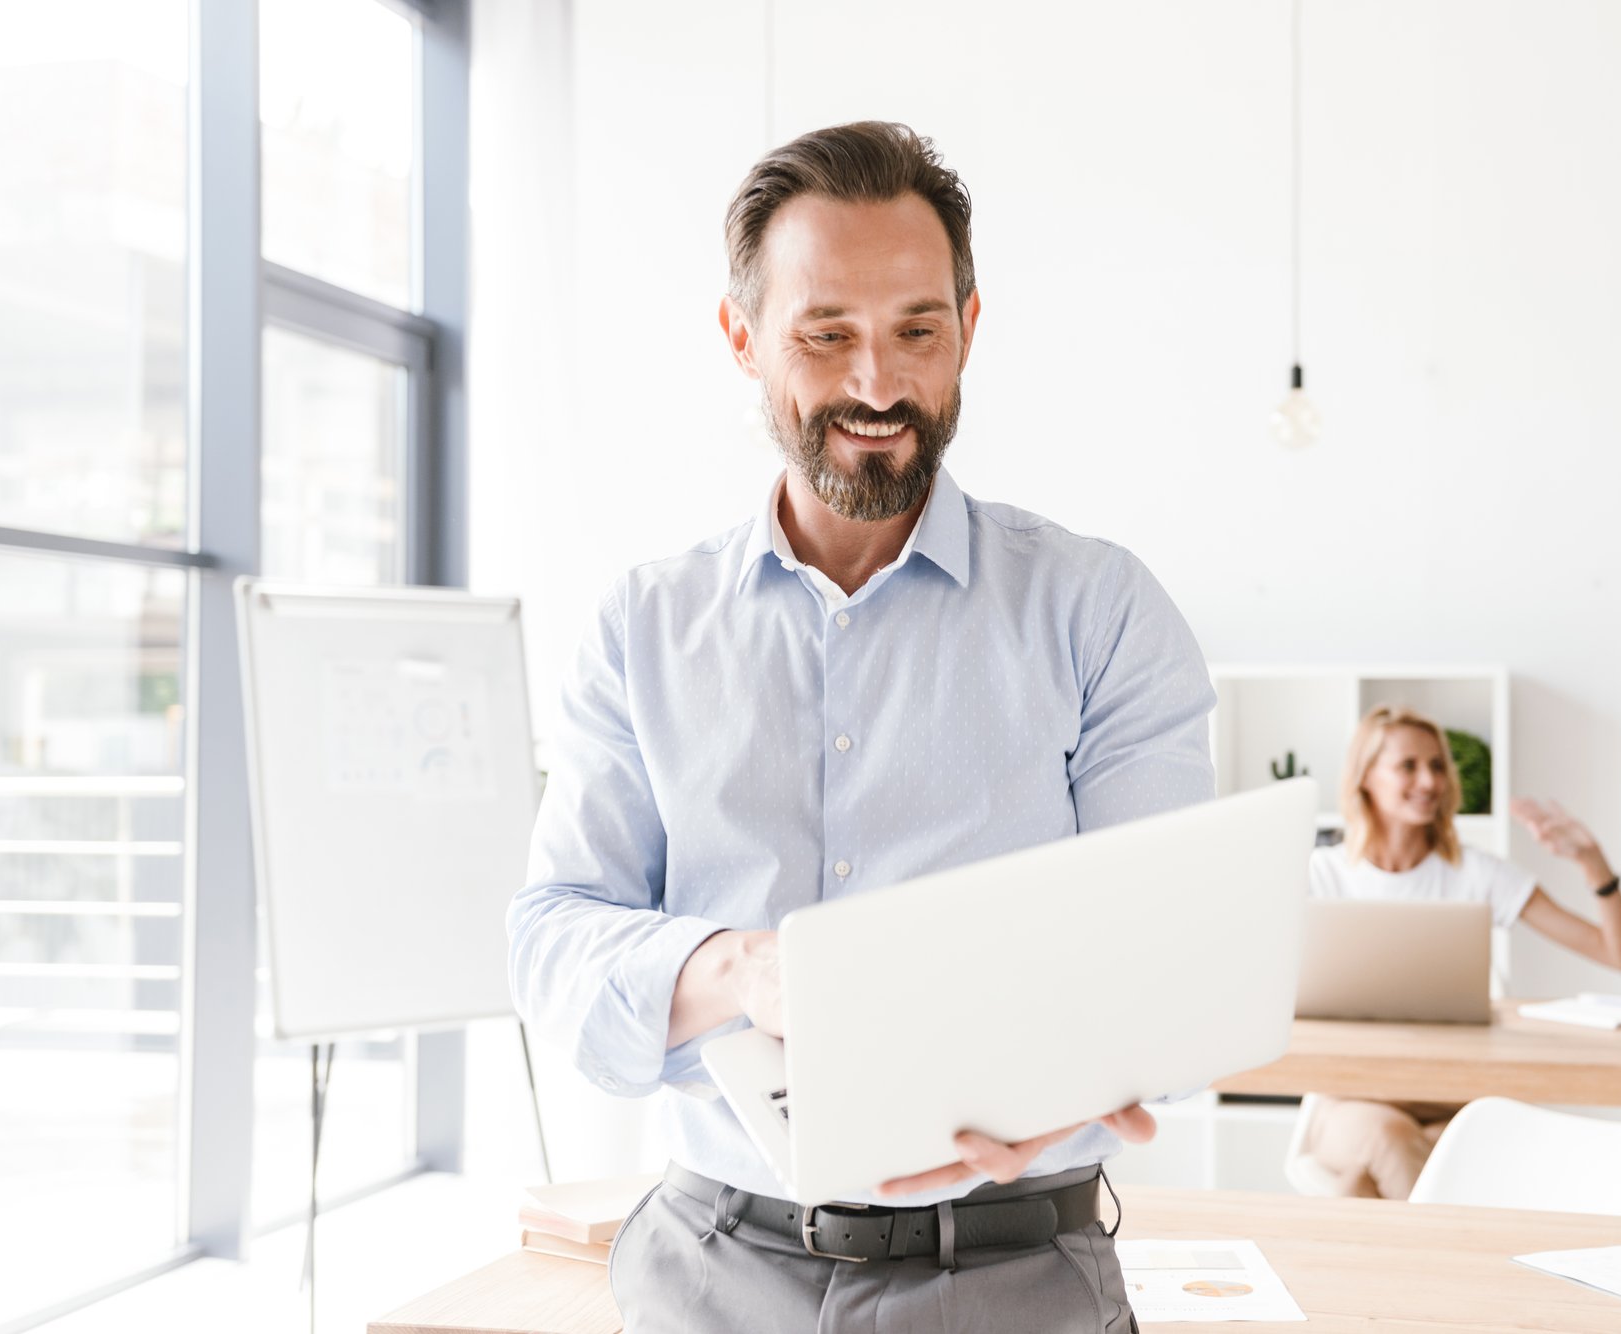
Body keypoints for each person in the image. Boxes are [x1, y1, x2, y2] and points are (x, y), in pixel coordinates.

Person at [507, 122, 1216, 1334]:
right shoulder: (642, 624)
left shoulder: (1098, 609)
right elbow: (553, 943)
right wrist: (743, 967)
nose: (878, 385)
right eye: (825, 334)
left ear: (969, 328)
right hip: (710, 1264)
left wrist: (1090, 1062)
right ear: (741, 338)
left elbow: (1173, 954)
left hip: (1014, 1274)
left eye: (916, 333)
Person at [1300, 704, 1621, 1199]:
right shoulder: (1321, 875)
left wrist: (1593, 864)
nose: (1430, 780)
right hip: (1350, 1100)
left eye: (1438, 765)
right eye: (1409, 766)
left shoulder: (1476, 874)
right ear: (1365, 778)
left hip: (1452, 1100)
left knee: (1360, 1188)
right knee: (1388, 1137)